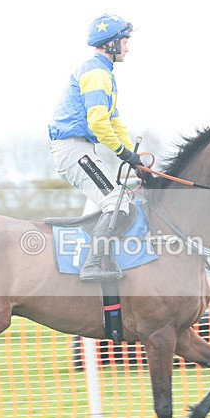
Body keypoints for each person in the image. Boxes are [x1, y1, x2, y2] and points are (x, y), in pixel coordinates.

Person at [48, 14, 142, 282]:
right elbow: (98, 122)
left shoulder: (104, 74)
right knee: (117, 200)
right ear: (111, 44)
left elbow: (115, 122)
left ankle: (101, 257)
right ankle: (92, 265)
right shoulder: (97, 73)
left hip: (81, 149)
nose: (128, 47)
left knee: (118, 199)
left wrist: (133, 158)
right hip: (73, 151)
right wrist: (122, 152)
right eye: (125, 41)